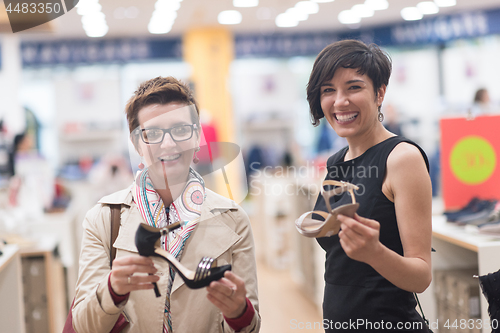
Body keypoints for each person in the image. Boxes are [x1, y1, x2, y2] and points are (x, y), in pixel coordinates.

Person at [72, 77, 260, 333]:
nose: (168, 143)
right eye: (153, 133)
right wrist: (112, 291)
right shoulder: (104, 219)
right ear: (137, 144)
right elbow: (83, 327)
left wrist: (239, 313)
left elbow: (252, 326)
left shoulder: (233, 219)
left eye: (181, 130)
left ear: (196, 139)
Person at [305, 40, 432, 332]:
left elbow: (421, 276)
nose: (339, 101)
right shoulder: (337, 161)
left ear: (379, 93)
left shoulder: (402, 158)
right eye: (328, 90)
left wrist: (374, 252)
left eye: (353, 87)